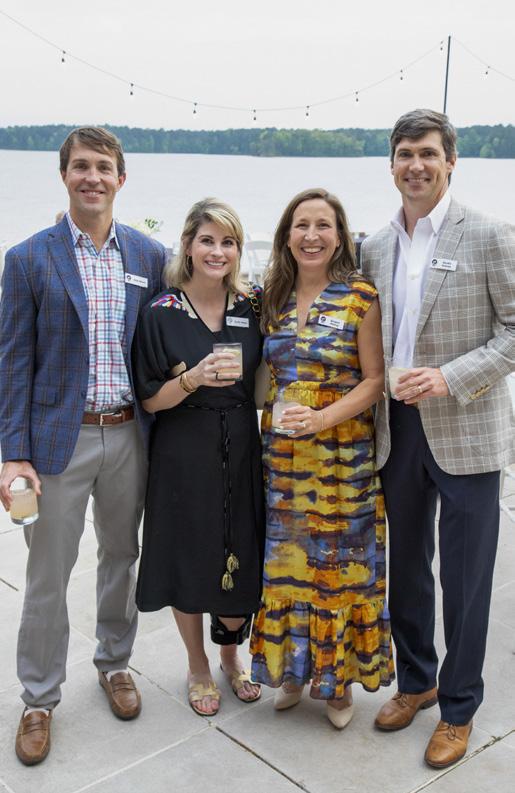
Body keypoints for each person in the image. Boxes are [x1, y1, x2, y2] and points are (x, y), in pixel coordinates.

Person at [0, 127, 166, 765]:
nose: (92, 177)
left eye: (103, 167)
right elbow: (14, 361)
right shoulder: (28, 259)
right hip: (55, 444)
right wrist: (14, 454)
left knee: (122, 557)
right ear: (64, 175)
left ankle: (115, 663)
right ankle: (39, 699)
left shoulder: (149, 255)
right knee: (47, 574)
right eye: (80, 167)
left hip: (129, 435)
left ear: (121, 178)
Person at [360, 108, 515, 768]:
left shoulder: (489, 233)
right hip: (396, 429)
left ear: (451, 160)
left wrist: (449, 378)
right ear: (391, 164)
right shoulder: (373, 246)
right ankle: (416, 679)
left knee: (465, 578)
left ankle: (458, 707)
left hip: (467, 428)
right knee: (406, 569)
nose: (415, 165)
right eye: (404, 153)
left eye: (427, 153)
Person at [249, 188, 394, 729]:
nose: (311, 235)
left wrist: (322, 418)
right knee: (287, 568)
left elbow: (375, 380)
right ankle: (293, 674)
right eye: (301, 225)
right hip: (283, 461)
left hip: (341, 460)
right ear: (287, 236)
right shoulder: (272, 296)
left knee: (338, 572)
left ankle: (338, 687)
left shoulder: (360, 296)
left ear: (339, 236)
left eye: (323, 225)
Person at [132, 198, 265, 717]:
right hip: (183, 447)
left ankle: (231, 656)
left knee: (242, 547)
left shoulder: (251, 306)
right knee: (187, 554)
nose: (217, 251)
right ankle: (197, 665)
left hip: (241, 442)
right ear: (187, 245)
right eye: (207, 240)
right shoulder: (161, 312)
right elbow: (149, 399)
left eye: (228, 242)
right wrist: (191, 378)